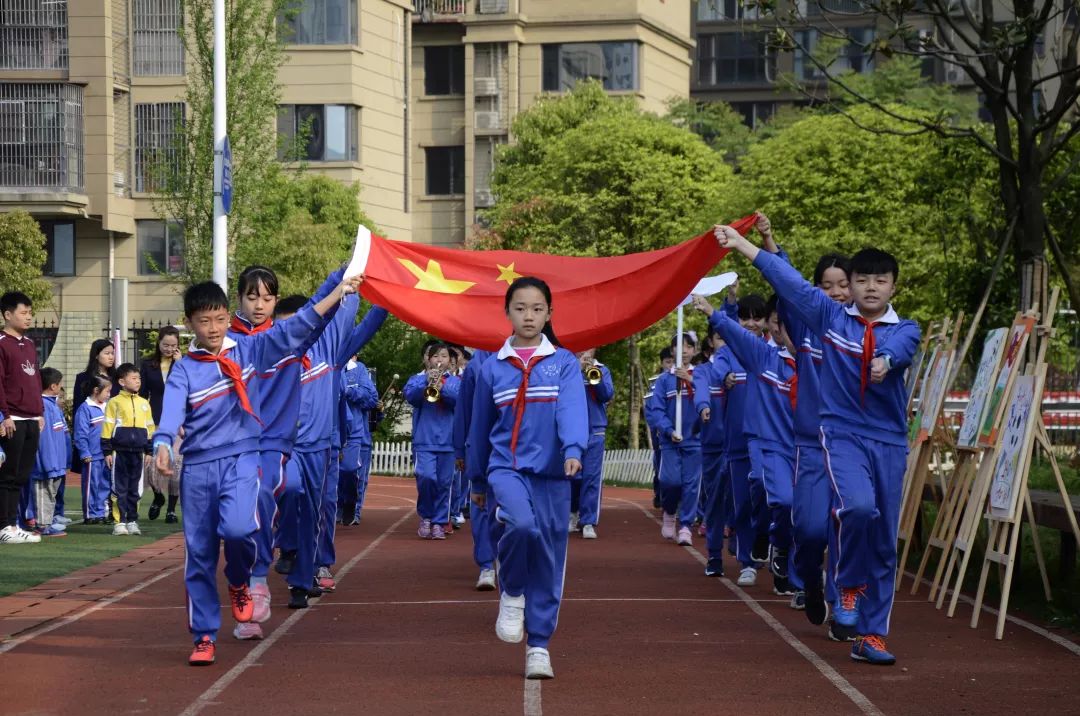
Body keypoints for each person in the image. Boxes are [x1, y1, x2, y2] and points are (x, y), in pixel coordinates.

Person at [714, 224, 920, 666]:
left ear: (892, 287)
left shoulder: (906, 329)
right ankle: (844, 586)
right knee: (857, 508)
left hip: (888, 442)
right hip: (838, 434)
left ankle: (871, 636)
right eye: (861, 280)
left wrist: (885, 361)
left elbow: (902, 347)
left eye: (878, 281)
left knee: (884, 542)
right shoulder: (829, 319)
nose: (868, 288)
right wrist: (744, 244)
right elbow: (787, 282)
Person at [152, 273, 360, 666]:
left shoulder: (249, 351)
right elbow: (172, 410)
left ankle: (240, 581)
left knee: (240, 529)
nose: (212, 329)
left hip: (243, 459)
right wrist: (163, 443)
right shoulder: (184, 369)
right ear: (189, 324)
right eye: (203, 322)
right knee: (198, 554)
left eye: (217, 319)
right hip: (198, 468)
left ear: (225, 318)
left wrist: (337, 290)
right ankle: (203, 636)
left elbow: (298, 325)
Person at [467, 276, 587, 680]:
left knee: (550, 561)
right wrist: (479, 482)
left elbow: (572, 408)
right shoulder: (491, 369)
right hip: (507, 468)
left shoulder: (564, 363)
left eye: (537, 309)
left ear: (549, 314)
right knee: (520, 526)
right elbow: (480, 427)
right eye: (520, 308)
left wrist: (573, 449)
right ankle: (512, 591)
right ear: (507, 312)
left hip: (553, 474)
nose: (529, 316)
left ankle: (539, 645)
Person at [228, 265, 346, 637]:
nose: (259, 304)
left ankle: (265, 572)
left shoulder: (289, 337)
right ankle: (245, 587)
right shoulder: (226, 339)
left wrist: (349, 270)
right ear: (239, 299)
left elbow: (317, 308)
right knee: (233, 527)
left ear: (276, 300)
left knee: (284, 490)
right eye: (251, 296)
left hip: (276, 445)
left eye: (266, 297)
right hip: (233, 447)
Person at [274, 286, 387, 608]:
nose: (292, 333)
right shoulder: (272, 358)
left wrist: (384, 302)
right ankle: (287, 544)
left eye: (297, 324)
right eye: (284, 326)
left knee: (314, 512)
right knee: (289, 490)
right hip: (283, 447)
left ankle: (301, 580)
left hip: (319, 448)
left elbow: (365, 328)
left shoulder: (329, 354)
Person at [693, 293, 797, 598]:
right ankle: (748, 559)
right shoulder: (729, 353)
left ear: (767, 322)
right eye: (744, 318)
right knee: (745, 502)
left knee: (780, 501)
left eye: (757, 317)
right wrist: (723, 376)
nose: (750, 324)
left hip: (777, 440)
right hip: (739, 441)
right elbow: (712, 370)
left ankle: (781, 560)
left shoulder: (772, 352)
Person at [645, 332, 701, 546]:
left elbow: (709, 398)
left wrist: (691, 380)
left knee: (691, 485)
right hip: (670, 441)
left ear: (694, 351)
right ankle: (669, 512)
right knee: (670, 481)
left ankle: (686, 525)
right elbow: (657, 410)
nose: (684, 350)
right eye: (680, 346)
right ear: (672, 351)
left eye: (689, 346)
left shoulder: (701, 375)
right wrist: (669, 431)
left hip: (694, 440)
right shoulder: (663, 381)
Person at [404, 341, 461, 540]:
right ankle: (426, 517)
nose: (439, 360)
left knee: (445, 483)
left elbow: (458, 400)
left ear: (450, 360)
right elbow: (410, 396)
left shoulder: (454, 381)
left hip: (448, 442)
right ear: (428, 360)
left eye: (444, 356)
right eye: (435, 356)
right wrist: (425, 382)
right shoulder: (417, 379)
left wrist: (441, 385)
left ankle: (439, 522)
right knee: (426, 478)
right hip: (424, 440)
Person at [0, 291, 44, 545]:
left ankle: (13, 525)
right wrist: (4, 416)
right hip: (12, 418)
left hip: (31, 417)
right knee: (7, 475)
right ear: (8, 314)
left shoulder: (28, 344)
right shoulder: (2, 343)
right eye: (23, 313)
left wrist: (40, 411)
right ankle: (3, 525)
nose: (28, 317)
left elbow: (34, 378)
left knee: (21, 475)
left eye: (30, 312)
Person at [453, 348, 498, 591]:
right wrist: (460, 448)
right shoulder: (477, 363)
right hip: (481, 445)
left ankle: (508, 558)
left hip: (518, 448)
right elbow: (464, 409)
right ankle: (486, 565)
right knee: (481, 505)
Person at [101, 363, 156, 536]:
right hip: (119, 452)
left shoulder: (144, 403)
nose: (138, 381)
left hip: (139, 452)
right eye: (133, 378)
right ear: (122, 381)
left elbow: (150, 428)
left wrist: (149, 451)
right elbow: (108, 426)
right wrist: (107, 451)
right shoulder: (114, 402)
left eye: (139, 378)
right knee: (119, 488)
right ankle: (120, 522)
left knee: (136, 488)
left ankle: (132, 520)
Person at [570, 348, 613, 540]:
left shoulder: (601, 370)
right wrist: (577, 371)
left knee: (591, 477)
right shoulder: (568, 368)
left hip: (595, 429)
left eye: (589, 348)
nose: (584, 352)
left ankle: (588, 521)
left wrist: (591, 373)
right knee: (572, 475)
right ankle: (572, 513)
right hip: (572, 429)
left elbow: (606, 395)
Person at [140, 326, 181, 522]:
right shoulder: (148, 364)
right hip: (155, 419)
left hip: (179, 423)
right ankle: (158, 496)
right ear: (158, 343)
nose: (169, 348)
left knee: (176, 466)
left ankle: (171, 510)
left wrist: (181, 363)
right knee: (152, 466)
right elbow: (142, 393)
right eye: (166, 345)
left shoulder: (184, 363)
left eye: (173, 345)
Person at [338, 357, 378, 526]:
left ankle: (350, 501)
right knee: (331, 476)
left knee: (348, 469)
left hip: (352, 431)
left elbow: (371, 398)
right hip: (329, 428)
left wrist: (348, 391)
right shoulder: (325, 362)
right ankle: (335, 510)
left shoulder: (359, 368)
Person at [31, 368, 70, 537]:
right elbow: (44, 439)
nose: (61, 388)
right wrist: (49, 462)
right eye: (60, 385)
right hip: (48, 463)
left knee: (51, 493)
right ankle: (42, 524)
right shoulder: (43, 407)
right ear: (53, 386)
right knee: (43, 492)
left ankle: (48, 520)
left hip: (57, 463)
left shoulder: (53, 405)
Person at [74, 375, 112, 524]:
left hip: (106, 455)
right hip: (92, 456)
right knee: (91, 485)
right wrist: (84, 452)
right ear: (96, 390)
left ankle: (100, 512)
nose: (109, 394)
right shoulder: (85, 409)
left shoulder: (109, 406)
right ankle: (90, 514)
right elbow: (80, 434)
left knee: (105, 485)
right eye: (107, 391)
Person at [647, 347, 675, 510]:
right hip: (659, 428)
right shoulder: (657, 382)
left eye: (672, 361)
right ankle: (659, 492)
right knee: (660, 462)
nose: (670, 364)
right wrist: (657, 426)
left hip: (677, 427)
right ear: (661, 363)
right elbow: (651, 409)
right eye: (667, 362)